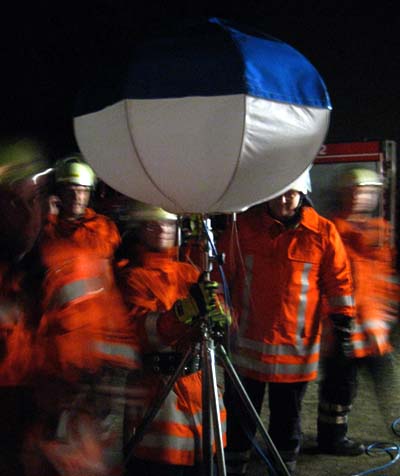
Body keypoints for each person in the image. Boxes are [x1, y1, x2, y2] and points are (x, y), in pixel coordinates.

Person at [217, 168, 356, 475]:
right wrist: (219, 314)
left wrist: (343, 323)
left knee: (286, 420)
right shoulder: (243, 228)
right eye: (278, 191)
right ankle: (235, 467)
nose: (283, 200)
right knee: (240, 420)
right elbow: (222, 277)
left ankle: (283, 468)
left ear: (302, 194)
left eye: (291, 193)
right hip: (247, 349)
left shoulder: (322, 232)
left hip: (295, 352)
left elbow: (338, 282)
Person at [30, 154, 142, 476]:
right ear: (58, 193)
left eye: (82, 190)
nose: (77, 196)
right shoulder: (43, 230)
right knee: (58, 427)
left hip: (97, 340)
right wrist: (44, 219)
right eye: (70, 190)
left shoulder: (102, 229)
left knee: (96, 423)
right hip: (57, 343)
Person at [117, 201, 230, 476]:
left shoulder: (188, 272)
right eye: (151, 224)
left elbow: (216, 315)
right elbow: (141, 333)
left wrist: (221, 317)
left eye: (167, 223)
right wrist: (183, 314)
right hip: (159, 398)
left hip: (201, 388)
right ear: (139, 230)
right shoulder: (130, 278)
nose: (161, 230)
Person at [317, 168, 399, 455]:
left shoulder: (380, 231)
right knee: (339, 386)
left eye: (369, 192)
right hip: (342, 326)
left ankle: (387, 424)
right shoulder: (331, 230)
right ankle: (332, 438)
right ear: (344, 194)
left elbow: (384, 277)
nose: (363, 197)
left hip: (373, 328)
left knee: (382, 380)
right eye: (358, 191)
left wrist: (388, 315)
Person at [0, 137, 52, 475]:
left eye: (36, 198)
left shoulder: (46, 263)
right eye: (19, 200)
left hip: (31, 401)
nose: (30, 213)